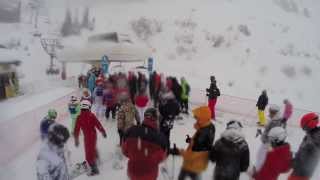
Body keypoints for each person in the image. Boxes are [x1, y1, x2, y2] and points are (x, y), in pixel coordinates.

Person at [122, 108, 168, 180]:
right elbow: (162, 157)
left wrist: (136, 155)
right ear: (156, 119)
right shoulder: (160, 137)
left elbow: (125, 151)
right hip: (150, 174)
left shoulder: (131, 130)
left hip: (132, 172)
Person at [170, 106, 215, 180]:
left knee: (183, 176)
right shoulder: (208, 127)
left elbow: (192, 154)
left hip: (193, 164)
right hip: (199, 162)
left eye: (197, 117)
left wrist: (178, 151)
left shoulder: (202, 134)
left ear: (203, 118)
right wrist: (192, 141)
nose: (196, 119)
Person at [74, 100, 107, 176]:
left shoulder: (79, 117)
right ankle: (96, 157)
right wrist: (103, 131)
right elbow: (98, 124)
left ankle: (94, 169)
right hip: (93, 136)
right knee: (92, 148)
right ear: (88, 107)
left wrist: (76, 138)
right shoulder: (91, 115)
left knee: (88, 154)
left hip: (88, 137)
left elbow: (76, 129)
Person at [288, 112, 320, 180]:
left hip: (301, 173)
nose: (304, 129)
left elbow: (305, 156)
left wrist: (292, 162)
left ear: (309, 125)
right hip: (300, 171)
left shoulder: (314, 139)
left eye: (304, 127)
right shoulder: (311, 135)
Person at [255, 105, 284, 175]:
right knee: (260, 156)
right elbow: (269, 128)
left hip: (268, 143)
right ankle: (258, 170)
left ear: (274, 112)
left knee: (261, 157)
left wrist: (265, 138)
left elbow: (273, 134)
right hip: (268, 142)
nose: (269, 113)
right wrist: (262, 130)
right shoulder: (275, 119)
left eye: (270, 112)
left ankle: (258, 171)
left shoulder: (276, 121)